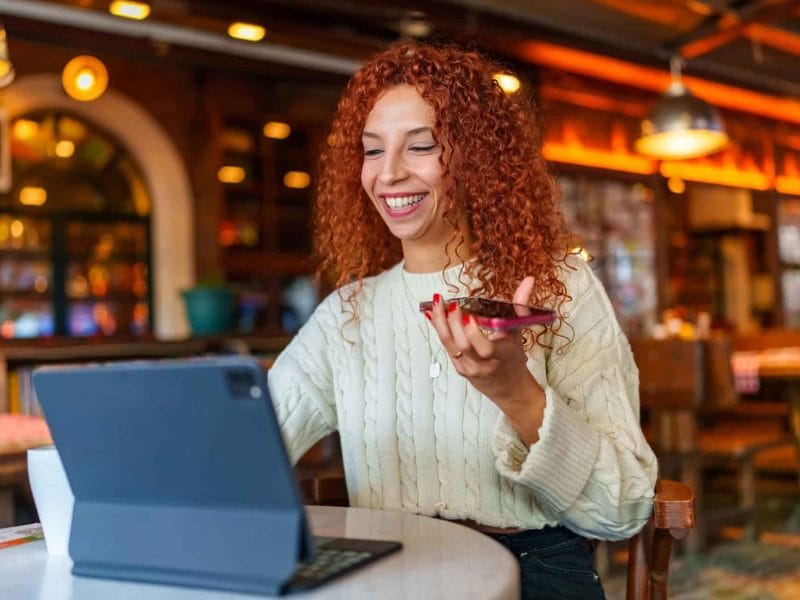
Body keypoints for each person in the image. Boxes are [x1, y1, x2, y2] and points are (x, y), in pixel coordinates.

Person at [267, 42, 657, 600]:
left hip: (531, 571)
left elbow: (624, 508)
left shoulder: (560, 288)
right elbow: (249, 452)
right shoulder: (344, 316)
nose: (389, 173)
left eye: (420, 146)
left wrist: (516, 393)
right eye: (371, 151)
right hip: (391, 572)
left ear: (477, 158)